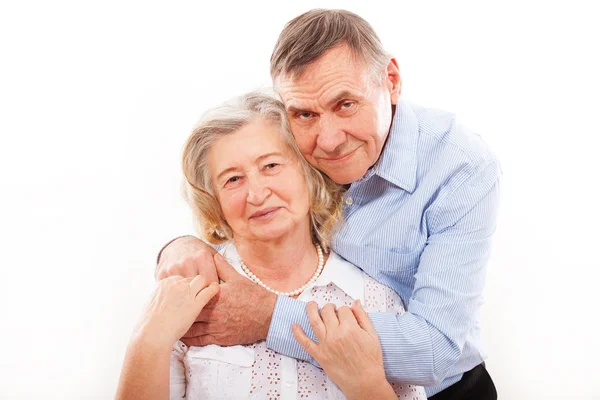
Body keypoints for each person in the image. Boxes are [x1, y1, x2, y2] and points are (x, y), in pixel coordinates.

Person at [157, 9, 500, 399]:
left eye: (346, 105)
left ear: (391, 81)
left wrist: (269, 317)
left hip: (447, 388)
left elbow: (433, 352)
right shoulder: (293, 133)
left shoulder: (460, 166)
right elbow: (238, 177)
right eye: (306, 114)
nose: (329, 140)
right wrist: (182, 246)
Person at [117, 92, 426, 399]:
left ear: (308, 172)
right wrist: (149, 340)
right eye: (233, 179)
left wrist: (364, 384)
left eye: (271, 166)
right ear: (215, 202)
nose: (257, 193)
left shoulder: (374, 298)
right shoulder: (188, 297)